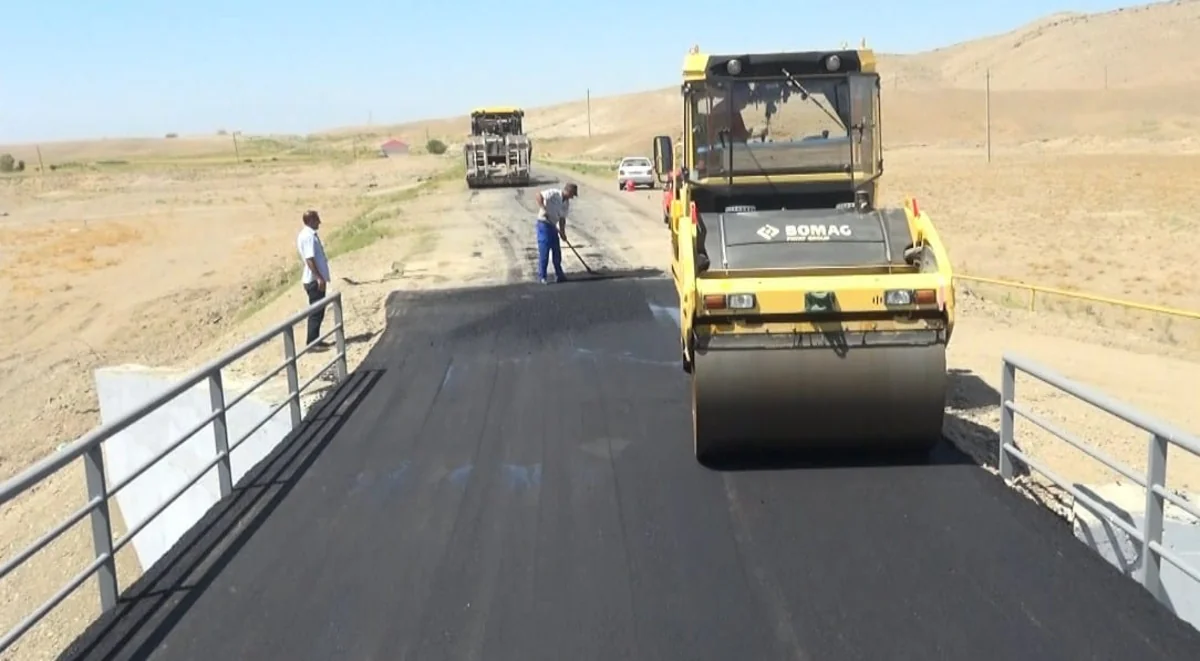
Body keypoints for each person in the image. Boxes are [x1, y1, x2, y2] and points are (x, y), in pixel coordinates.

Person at [296, 209, 332, 350]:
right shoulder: (308, 236)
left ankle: (316, 339)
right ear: (310, 220)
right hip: (313, 280)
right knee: (316, 312)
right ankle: (312, 343)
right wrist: (319, 278)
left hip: (314, 279)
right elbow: (309, 259)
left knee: (319, 310)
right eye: (317, 219)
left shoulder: (309, 235)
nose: (319, 222)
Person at [534, 183, 578, 284]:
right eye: (572, 194)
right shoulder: (553, 193)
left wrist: (562, 232)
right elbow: (538, 195)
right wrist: (543, 208)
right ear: (568, 191)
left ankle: (559, 275)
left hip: (553, 225)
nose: (572, 197)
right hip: (544, 224)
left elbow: (562, 219)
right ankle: (542, 276)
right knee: (545, 250)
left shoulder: (566, 203)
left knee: (556, 251)